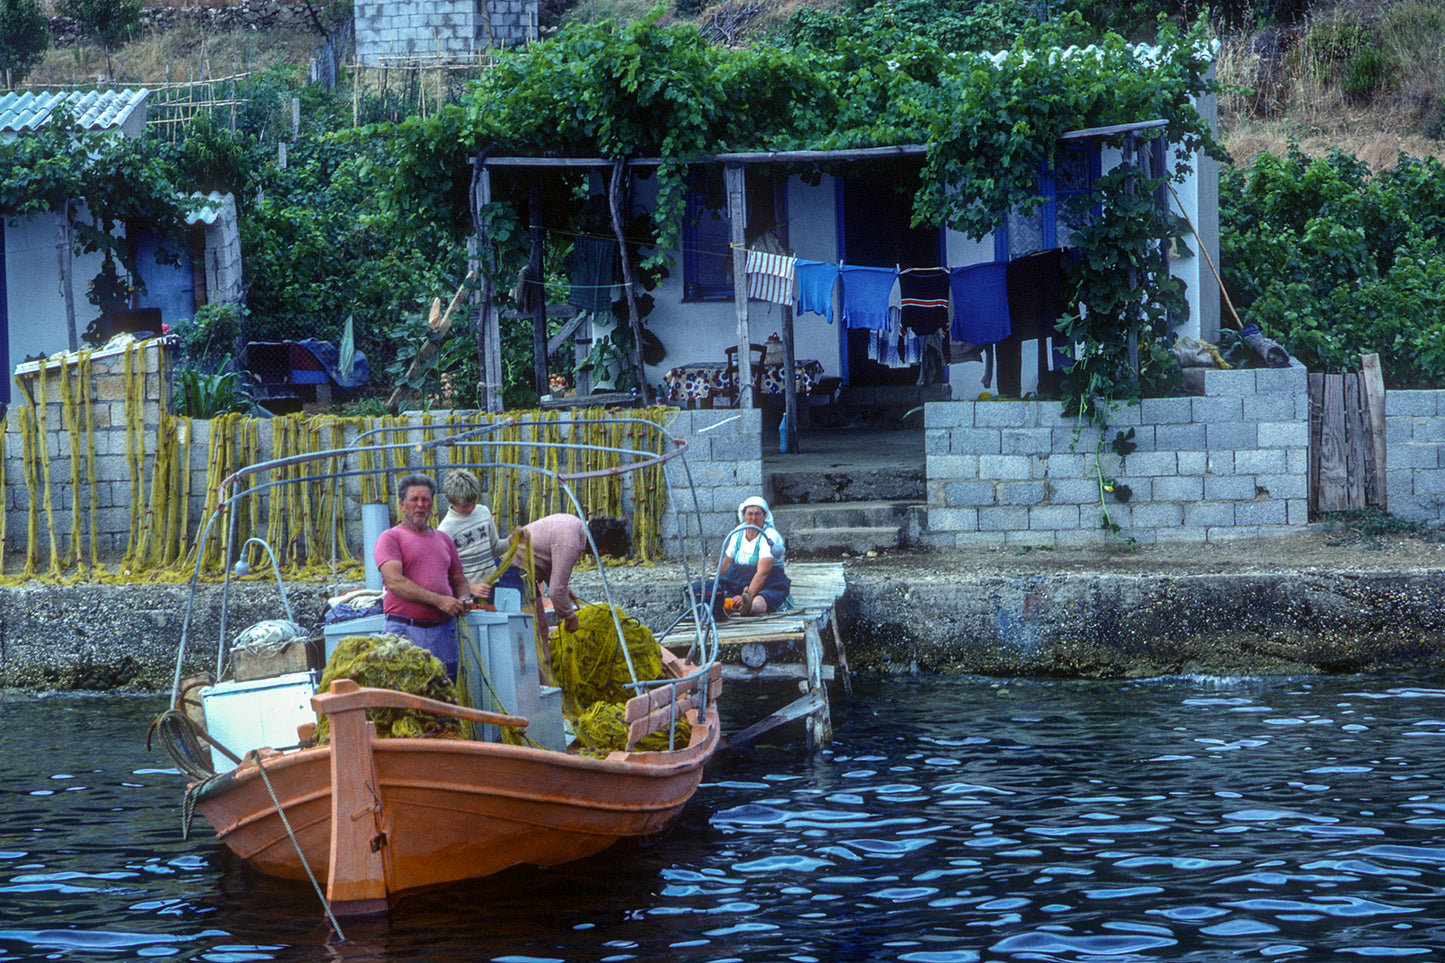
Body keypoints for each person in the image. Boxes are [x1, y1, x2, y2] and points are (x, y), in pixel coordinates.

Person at [373, 473, 472, 676]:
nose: (420, 505)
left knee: (444, 687)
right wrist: (439, 601)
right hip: (405, 632)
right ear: (402, 505)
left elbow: (459, 580)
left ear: (432, 505)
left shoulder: (444, 539)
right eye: (414, 499)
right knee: (406, 689)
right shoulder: (390, 538)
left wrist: (464, 599)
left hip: (443, 632)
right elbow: (394, 582)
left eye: (426, 500)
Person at [509, 514, 631, 635]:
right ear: (599, 542)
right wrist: (570, 617)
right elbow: (556, 591)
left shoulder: (574, 525)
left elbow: (545, 560)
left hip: (523, 572)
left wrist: (565, 590)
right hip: (512, 571)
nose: (598, 556)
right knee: (531, 631)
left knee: (541, 630)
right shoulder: (571, 543)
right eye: (603, 552)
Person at [696, 496, 790, 618]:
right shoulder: (737, 533)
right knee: (709, 590)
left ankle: (746, 607)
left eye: (758, 514)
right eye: (750, 514)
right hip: (738, 581)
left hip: (768, 582)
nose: (753, 518)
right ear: (744, 516)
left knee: (758, 602)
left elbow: (763, 573)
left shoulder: (770, 536)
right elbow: (726, 563)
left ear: (764, 516)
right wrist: (715, 585)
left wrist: (747, 596)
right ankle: (730, 605)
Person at [436, 468, 507, 599]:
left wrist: (512, 541)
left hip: (492, 585)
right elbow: (441, 573)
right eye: (465, 505)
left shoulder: (483, 512)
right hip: (467, 594)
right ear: (452, 502)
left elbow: (495, 548)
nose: (471, 508)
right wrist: (470, 587)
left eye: (473, 502)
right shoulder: (445, 530)